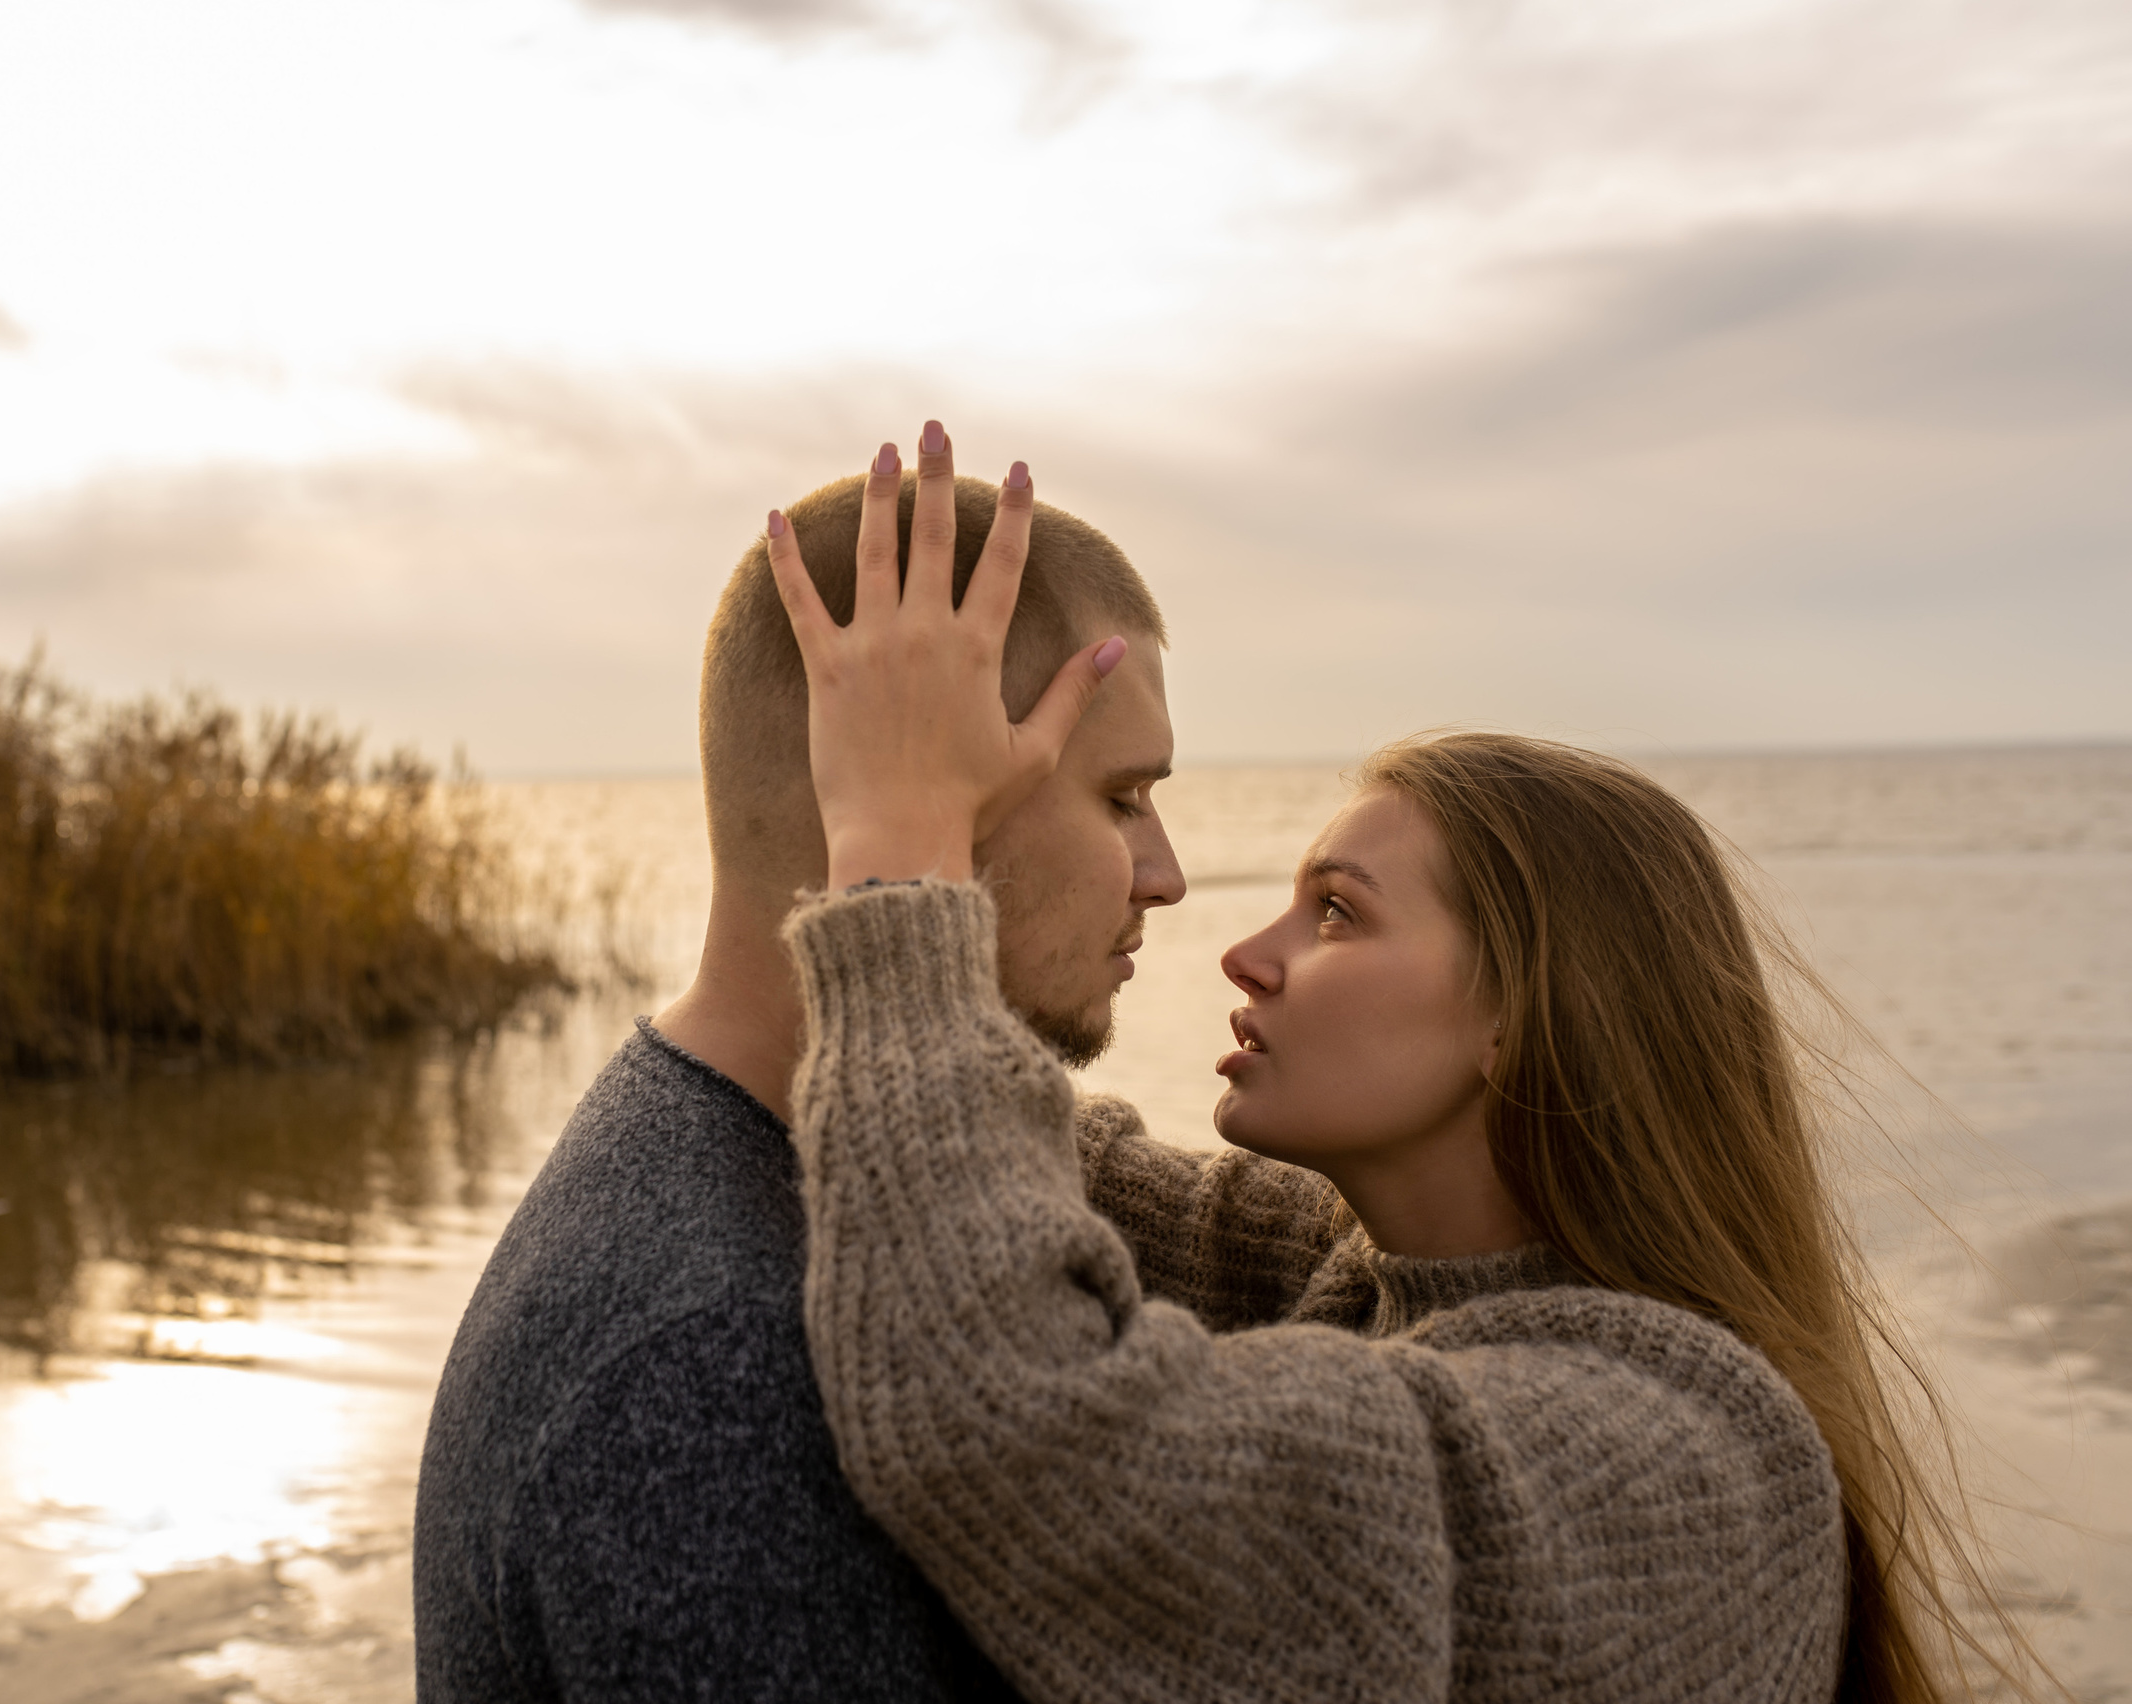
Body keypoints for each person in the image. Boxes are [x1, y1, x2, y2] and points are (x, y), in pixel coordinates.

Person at [766, 429, 2043, 1702]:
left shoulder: (1673, 1463)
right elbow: (1049, 1176)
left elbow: (1027, 1428)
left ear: (1523, 1015)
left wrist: (900, 854)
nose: (1245, 957)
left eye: (1334, 913)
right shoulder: (1366, 1277)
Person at [411, 423, 1183, 1701]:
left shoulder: (723, 1165)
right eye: (1121, 798)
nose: (1163, 872)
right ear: (923, 794)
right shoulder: (723, 1372)